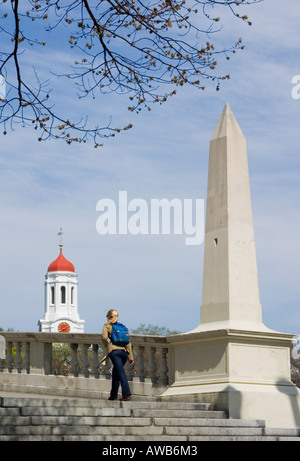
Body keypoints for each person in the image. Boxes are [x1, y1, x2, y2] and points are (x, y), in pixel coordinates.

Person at [102, 309, 134, 401]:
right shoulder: (122, 326)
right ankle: (113, 395)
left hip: (114, 352)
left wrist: (106, 345)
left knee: (121, 373)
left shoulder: (107, 326)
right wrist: (130, 357)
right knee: (116, 373)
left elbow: (104, 337)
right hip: (124, 353)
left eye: (107, 317)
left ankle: (126, 393)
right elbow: (128, 343)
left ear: (109, 317)